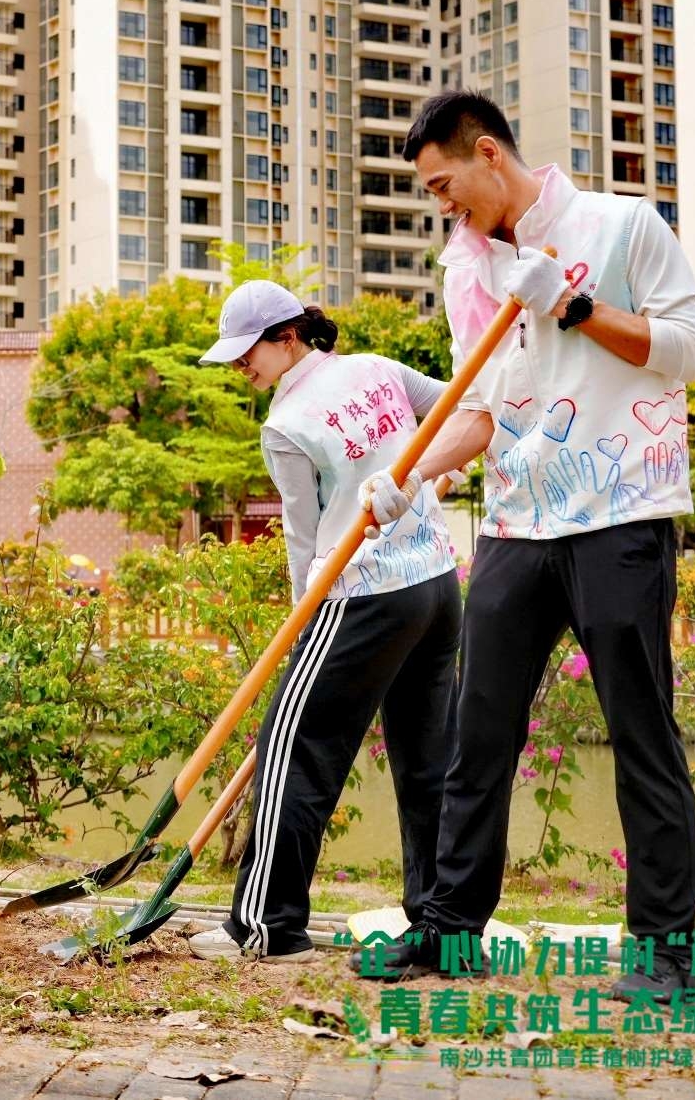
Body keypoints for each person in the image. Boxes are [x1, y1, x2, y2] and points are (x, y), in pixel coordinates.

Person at [358, 90, 695, 1002]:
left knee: (641, 735)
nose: (441, 205)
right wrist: (408, 474)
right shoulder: (465, 270)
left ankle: (665, 955)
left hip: (621, 514)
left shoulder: (623, 226)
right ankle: (449, 932)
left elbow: (687, 352)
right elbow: (479, 410)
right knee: (476, 735)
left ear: (487, 153)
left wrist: (577, 306)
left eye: (443, 184)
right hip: (517, 522)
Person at [185, 281, 462, 963]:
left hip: (359, 594)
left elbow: (302, 540)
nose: (238, 366)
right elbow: (465, 406)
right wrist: (434, 476)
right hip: (434, 585)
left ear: (287, 337)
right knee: (427, 760)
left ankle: (267, 927)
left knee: (291, 747)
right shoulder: (376, 370)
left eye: (246, 352)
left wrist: (301, 621)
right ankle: (440, 923)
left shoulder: (285, 423)